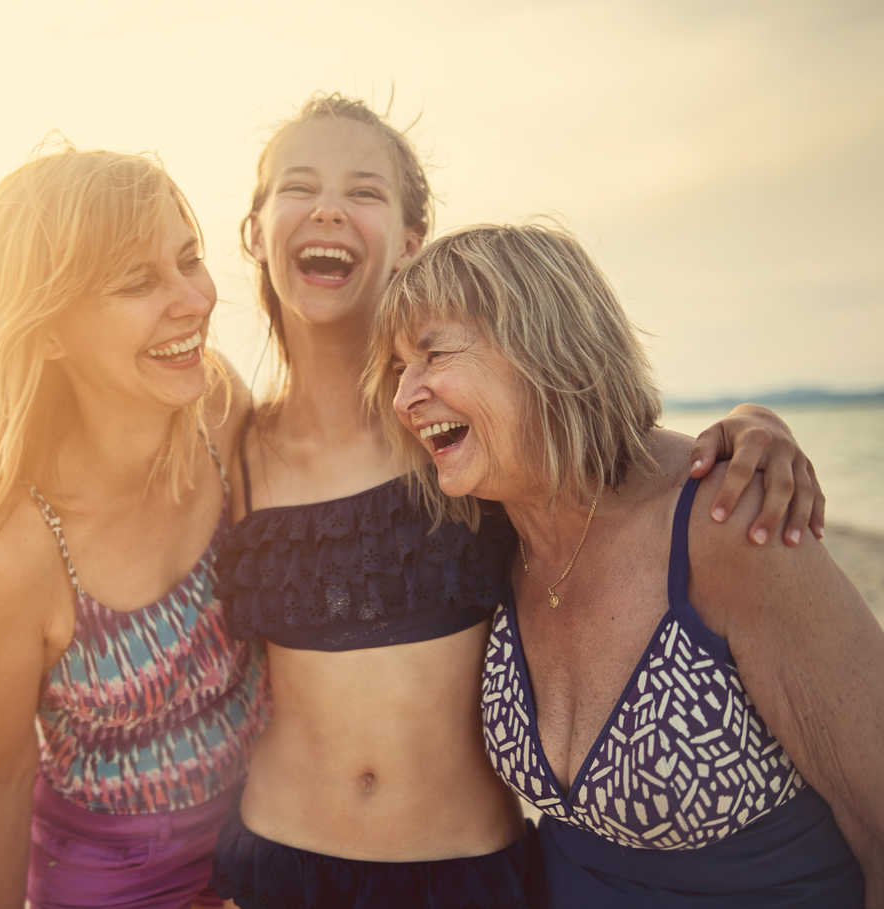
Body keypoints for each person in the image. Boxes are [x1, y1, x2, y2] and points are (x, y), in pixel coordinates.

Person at [209, 92, 826, 908]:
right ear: (254, 233)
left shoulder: (460, 427)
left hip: (463, 871)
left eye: (363, 190)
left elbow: (614, 455)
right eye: (299, 186)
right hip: (275, 863)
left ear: (410, 242)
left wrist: (752, 426)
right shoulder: (227, 433)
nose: (327, 208)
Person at [370, 222, 883, 907]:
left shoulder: (725, 522)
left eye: (433, 354)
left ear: (543, 348)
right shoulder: (488, 539)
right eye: (398, 368)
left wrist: (760, 422)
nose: (404, 396)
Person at [0, 147, 271, 909]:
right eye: (138, 282)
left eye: (189, 259)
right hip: (112, 879)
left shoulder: (219, 409)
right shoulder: (1, 558)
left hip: (265, 837)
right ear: (47, 330)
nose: (194, 299)